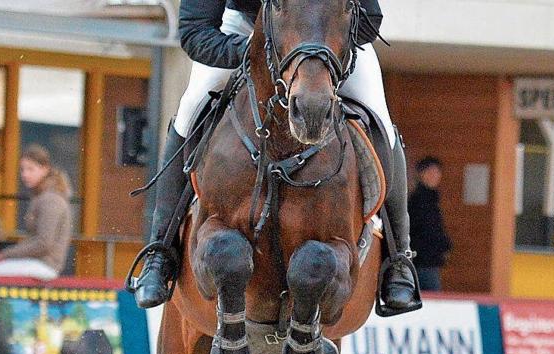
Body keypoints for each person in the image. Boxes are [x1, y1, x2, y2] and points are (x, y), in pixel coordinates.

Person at [131, 0, 421, 316]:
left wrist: (328, 47)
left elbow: (369, 19)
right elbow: (195, 31)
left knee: (377, 113)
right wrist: (255, 51)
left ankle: (398, 259)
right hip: (244, 31)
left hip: (324, 38)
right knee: (192, 106)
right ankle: (160, 251)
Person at [0, 145, 73, 280]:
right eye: (22, 169)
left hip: (45, 265)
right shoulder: (42, 196)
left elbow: (43, 243)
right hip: (39, 263)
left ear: (45, 169)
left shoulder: (50, 200)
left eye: (31, 169)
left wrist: (7, 254)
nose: (25, 174)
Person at [408, 156, 452, 291]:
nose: (435, 176)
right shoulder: (419, 201)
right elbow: (427, 230)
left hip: (429, 260)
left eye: (437, 173)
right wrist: (443, 244)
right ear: (422, 174)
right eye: (431, 172)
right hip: (422, 261)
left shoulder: (431, 199)